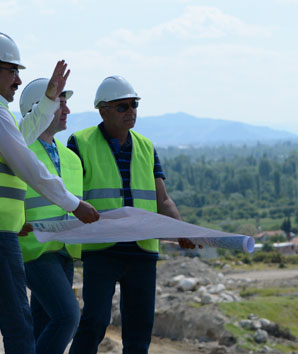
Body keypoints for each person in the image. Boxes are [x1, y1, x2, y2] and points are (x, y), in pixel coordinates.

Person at [0, 32, 99, 354]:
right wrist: (73, 203)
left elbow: (21, 137)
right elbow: (28, 165)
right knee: (18, 328)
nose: (18, 80)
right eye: (12, 72)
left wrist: (50, 100)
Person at [67, 75, 195, 354]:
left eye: (134, 104)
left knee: (139, 331)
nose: (131, 111)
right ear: (103, 110)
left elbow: (163, 198)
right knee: (95, 321)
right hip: (101, 248)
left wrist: (181, 229)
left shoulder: (146, 147)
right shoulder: (80, 142)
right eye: (122, 106)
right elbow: (68, 194)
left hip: (142, 251)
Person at [17, 78, 83, 354]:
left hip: (64, 251)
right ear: (39, 108)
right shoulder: (19, 150)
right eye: (61, 104)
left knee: (44, 324)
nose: (67, 110)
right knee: (68, 316)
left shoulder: (71, 158)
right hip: (33, 249)